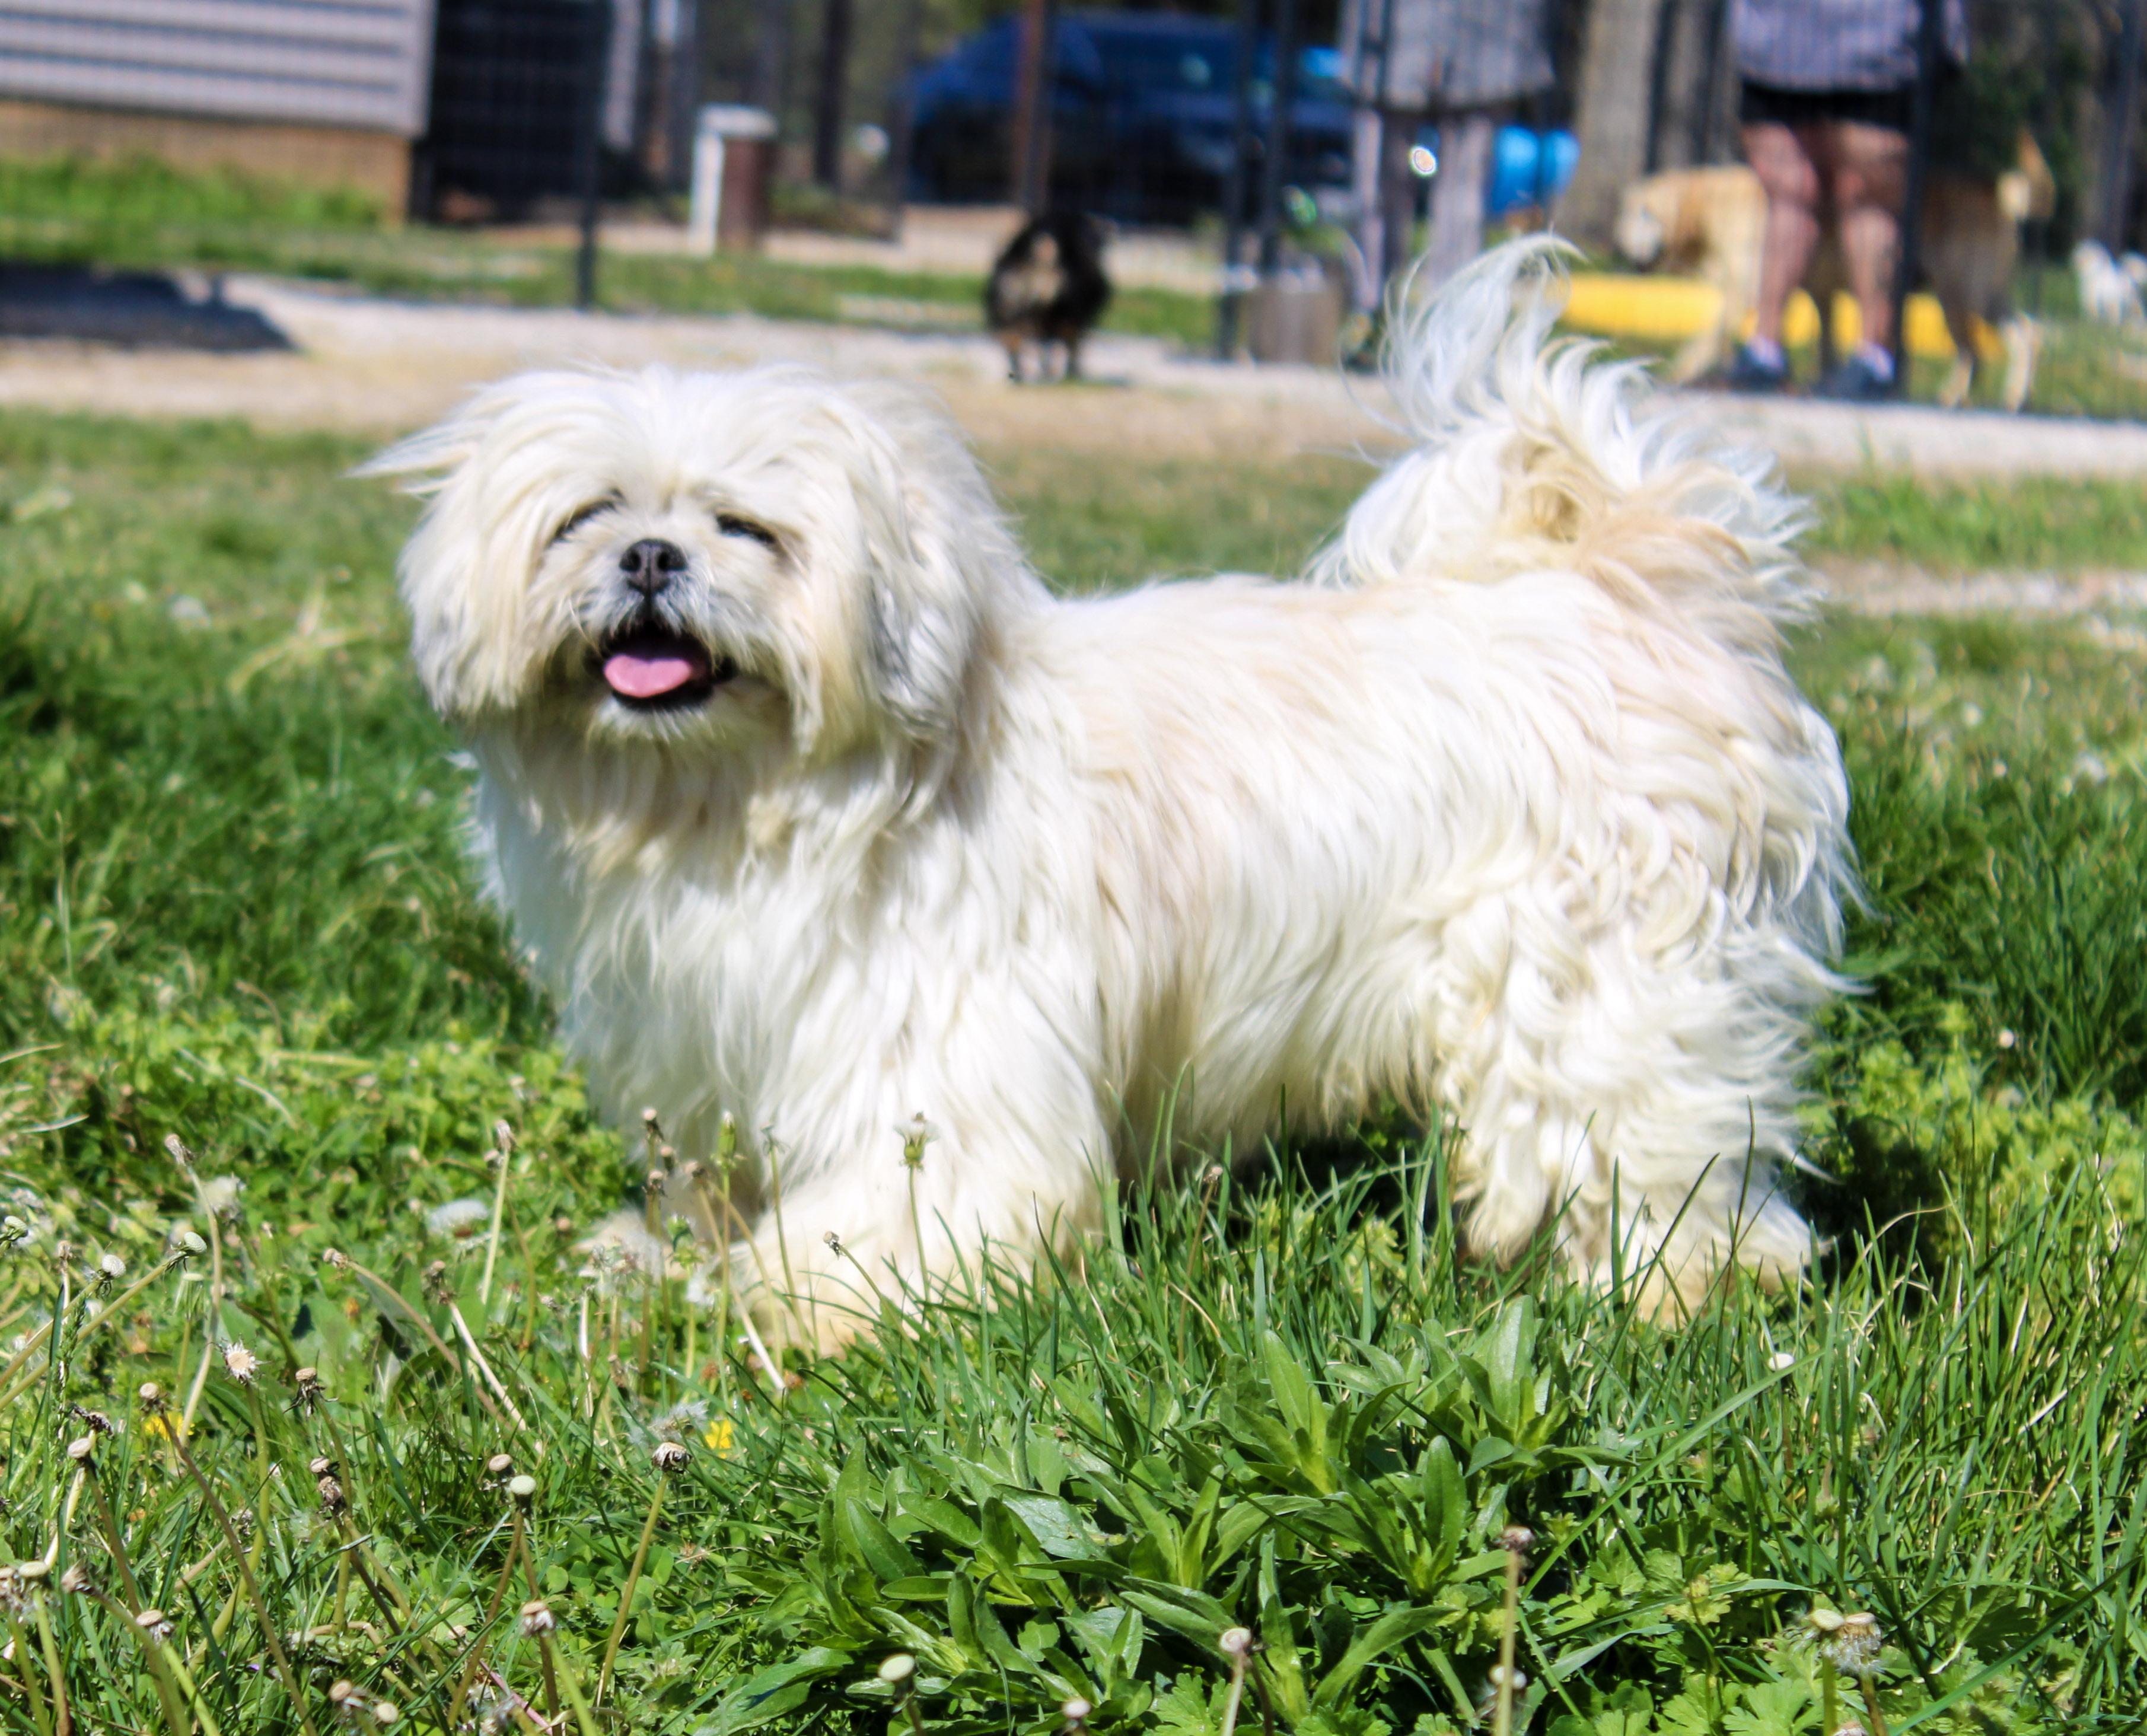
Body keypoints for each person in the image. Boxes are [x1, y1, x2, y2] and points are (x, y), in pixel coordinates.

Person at [1726, 0, 1967, 400]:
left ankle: (1858, 356)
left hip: (1843, 37)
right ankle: (1778, 351)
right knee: (1813, 191)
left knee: (1851, 191)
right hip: (1813, 35)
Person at [1341, 0, 1557, 302]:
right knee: (1376, 180)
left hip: (1486, 34)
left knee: (1466, 193)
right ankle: (1370, 308)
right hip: (1389, 33)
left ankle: (1451, 314)